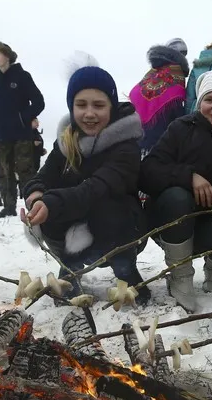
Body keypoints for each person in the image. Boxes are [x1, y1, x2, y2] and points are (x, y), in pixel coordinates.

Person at [21, 64, 150, 304]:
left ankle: (126, 273)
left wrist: (52, 202)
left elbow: (97, 187)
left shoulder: (126, 144)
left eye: (98, 105)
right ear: (72, 107)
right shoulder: (67, 140)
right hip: (77, 224)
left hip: (121, 229)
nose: (89, 113)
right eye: (81, 105)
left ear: (111, 106)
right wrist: (36, 195)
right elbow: (42, 176)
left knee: (107, 206)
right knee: (51, 202)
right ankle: (69, 268)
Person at [141, 71, 212, 311]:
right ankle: (180, 273)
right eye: (209, 99)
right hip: (173, 218)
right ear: (199, 102)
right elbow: (147, 171)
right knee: (177, 195)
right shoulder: (180, 129)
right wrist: (188, 177)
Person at [0, 40, 45, 218]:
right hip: (0, 135)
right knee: (4, 172)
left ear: (7, 55)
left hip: (21, 134)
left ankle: (34, 205)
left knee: (25, 171)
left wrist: (23, 118)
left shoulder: (22, 76)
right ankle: (8, 206)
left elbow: (39, 101)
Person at [130, 41, 189, 155]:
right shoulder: (176, 70)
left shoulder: (152, 72)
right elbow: (176, 101)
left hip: (141, 131)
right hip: (165, 134)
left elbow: (137, 93)